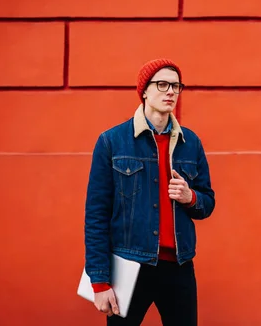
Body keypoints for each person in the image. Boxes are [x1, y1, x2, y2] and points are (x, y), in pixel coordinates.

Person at [84, 58, 216, 326]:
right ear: (144, 90)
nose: (171, 92)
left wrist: (190, 197)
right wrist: (99, 281)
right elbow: (96, 215)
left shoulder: (191, 143)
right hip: (129, 264)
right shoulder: (112, 141)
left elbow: (208, 203)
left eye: (176, 86)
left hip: (179, 267)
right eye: (163, 84)